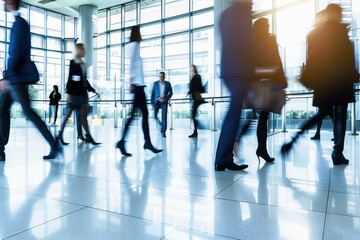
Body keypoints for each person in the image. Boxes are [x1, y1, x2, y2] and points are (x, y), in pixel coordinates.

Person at [281, 4, 357, 165]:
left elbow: (313, 59)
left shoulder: (316, 33)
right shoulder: (340, 31)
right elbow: (346, 57)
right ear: (336, 14)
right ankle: (337, 153)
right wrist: (354, 75)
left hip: (324, 82)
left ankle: (294, 139)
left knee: (321, 113)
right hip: (341, 81)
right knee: (340, 117)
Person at [0, 0, 61, 160]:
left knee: (28, 112)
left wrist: (7, 77)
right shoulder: (18, 22)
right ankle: (0, 149)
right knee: (2, 109)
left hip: (16, 79)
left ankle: (54, 144)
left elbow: (16, 52)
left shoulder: (20, 24)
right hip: (14, 78)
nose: (3, 2)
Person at [214, 1, 253, 171]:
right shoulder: (241, 12)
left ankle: (225, 157)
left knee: (235, 113)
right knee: (235, 114)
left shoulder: (227, 13)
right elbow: (246, 44)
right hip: (239, 71)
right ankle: (223, 158)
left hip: (230, 70)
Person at [116, 26, 162, 157]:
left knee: (138, 116)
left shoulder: (134, 46)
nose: (142, 35)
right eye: (140, 33)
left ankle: (132, 142)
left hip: (139, 86)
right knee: (142, 115)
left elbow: (133, 65)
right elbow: (131, 65)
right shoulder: (135, 45)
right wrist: (131, 83)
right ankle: (144, 142)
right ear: (137, 34)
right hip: (138, 87)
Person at [252, 18, 287, 163]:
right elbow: (276, 60)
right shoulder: (269, 39)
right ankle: (261, 148)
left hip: (256, 82)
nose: (268, 27)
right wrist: (282, 79)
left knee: (260, 116)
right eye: (266, 25)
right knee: (262, 117)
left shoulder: (252, 42)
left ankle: (261, 148)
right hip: (268, 82)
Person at [57, 43, 100, 146]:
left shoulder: (82, 64)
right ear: (78, 51)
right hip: (75, 95)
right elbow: (70, 79)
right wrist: (69, 93)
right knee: (68, 116)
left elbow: (84, 81)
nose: (84, 51)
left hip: (82, 95)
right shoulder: (73, 62)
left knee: (83, 117)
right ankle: (60, 135)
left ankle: (89, 137)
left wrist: (92, 90)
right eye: (83, 49)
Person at [151, 71, 173, 138]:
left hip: (164, 101)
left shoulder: (167, 84)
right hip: (157, 101)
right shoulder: (155, 84)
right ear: (159, 77)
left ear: (164, 77)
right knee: (155, 116)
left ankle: (163, 132)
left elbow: (171, 93)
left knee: (164, 117)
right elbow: (152, 94)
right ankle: (162, 126)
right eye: (160, 76)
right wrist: (152, 103)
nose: (161, 77)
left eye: (162, 76)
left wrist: (165, 98)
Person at [187, 65, 205, 138]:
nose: (191, 70)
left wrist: (190, 92)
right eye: (191, 69)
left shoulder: (196, 77)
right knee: (193, 115)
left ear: (194, 69)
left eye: (192, 69)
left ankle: (197, 130)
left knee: (193, 115)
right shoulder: (195, 77)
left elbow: (196, 87)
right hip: (195, 98)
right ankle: (195, 131)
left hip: (197, 99)